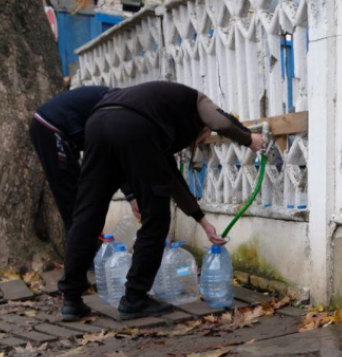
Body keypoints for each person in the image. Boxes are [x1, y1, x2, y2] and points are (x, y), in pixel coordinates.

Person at [58, 81, 263, 322]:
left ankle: (71, 300)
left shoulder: (160, 111)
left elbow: (170, 178)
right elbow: (221, 121)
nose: (195, 143)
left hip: (96, 124)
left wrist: (202, 220)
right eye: (203, 136)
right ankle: (134, 297)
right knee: (156, 217)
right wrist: (250, 140)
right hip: (133, 127)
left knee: (87, 214)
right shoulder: (197, 100)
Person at [29, 85, 140, 232]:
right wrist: (132, 196)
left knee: (80, 196)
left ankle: (84, 244)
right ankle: (79, 250)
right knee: (70, 201)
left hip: (67, 133)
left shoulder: (122, 107)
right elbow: (112, 155)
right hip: (50, 127)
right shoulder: (117, 107)